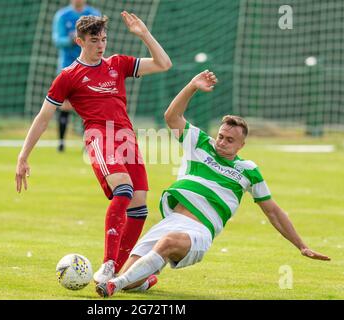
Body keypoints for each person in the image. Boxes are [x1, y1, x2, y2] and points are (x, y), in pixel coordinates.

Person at [96, 70, 331, 297]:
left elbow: (273, 212)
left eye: (230, 140)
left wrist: (301, 245)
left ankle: (114, 285)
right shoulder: (200, 143)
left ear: (241, 145)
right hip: (172, 221)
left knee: (161, 248)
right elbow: (172, 117)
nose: (222, 142)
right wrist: (192, 87)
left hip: (199, 231)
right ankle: (141, 280)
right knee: (132, 279)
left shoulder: (248, 170)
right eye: (221, 136)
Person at [15, 12, 172, 287]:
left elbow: (163, 64)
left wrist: (144, 34)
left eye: (104, 39)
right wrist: (23, 156)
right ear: (79, 41)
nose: (101, 45)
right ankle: (109, 265)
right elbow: (43, 117)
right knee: (123, 190)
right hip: (99, 136)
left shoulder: (118, 64)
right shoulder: (68, 76)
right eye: (94, 40)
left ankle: (122, 278)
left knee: (139, 210)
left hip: (127, 138)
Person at [52, 0, 101, 152]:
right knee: (65, 105)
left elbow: (100, 37)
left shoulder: (94, 14)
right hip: (68, 66)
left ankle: (87, 143)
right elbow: (57, 39)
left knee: (89, 105)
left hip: (89, 66)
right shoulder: (62, 15)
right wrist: (71, 39)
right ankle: (61, 142)